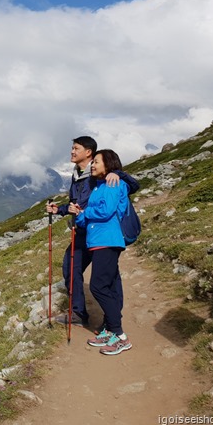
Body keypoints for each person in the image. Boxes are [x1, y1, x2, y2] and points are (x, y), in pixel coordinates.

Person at [46, 137, 139, 328]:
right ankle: (79, 313)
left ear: (88, 152)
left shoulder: (104, 175)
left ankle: (112, 321)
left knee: (109, 277)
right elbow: (78, 203)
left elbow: (132, 187)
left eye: (75, 148)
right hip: (83, 231)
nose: (71, 151)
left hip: (101, 233)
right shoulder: (77, 174)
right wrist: (60, 210)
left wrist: (119, 173)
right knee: (71, 267)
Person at [74, 149, 132, 355]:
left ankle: (119, 335)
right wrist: (79, 214)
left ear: (108, 164)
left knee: (98, 286)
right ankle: (110, 329)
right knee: (106, 284)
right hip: (98, 241)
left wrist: (86, 212)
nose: (93, 165)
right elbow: (85, 219)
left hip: (107, 240)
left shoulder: (113, 183)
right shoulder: (98, 187)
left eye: (96, 162)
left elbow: (105, 211)